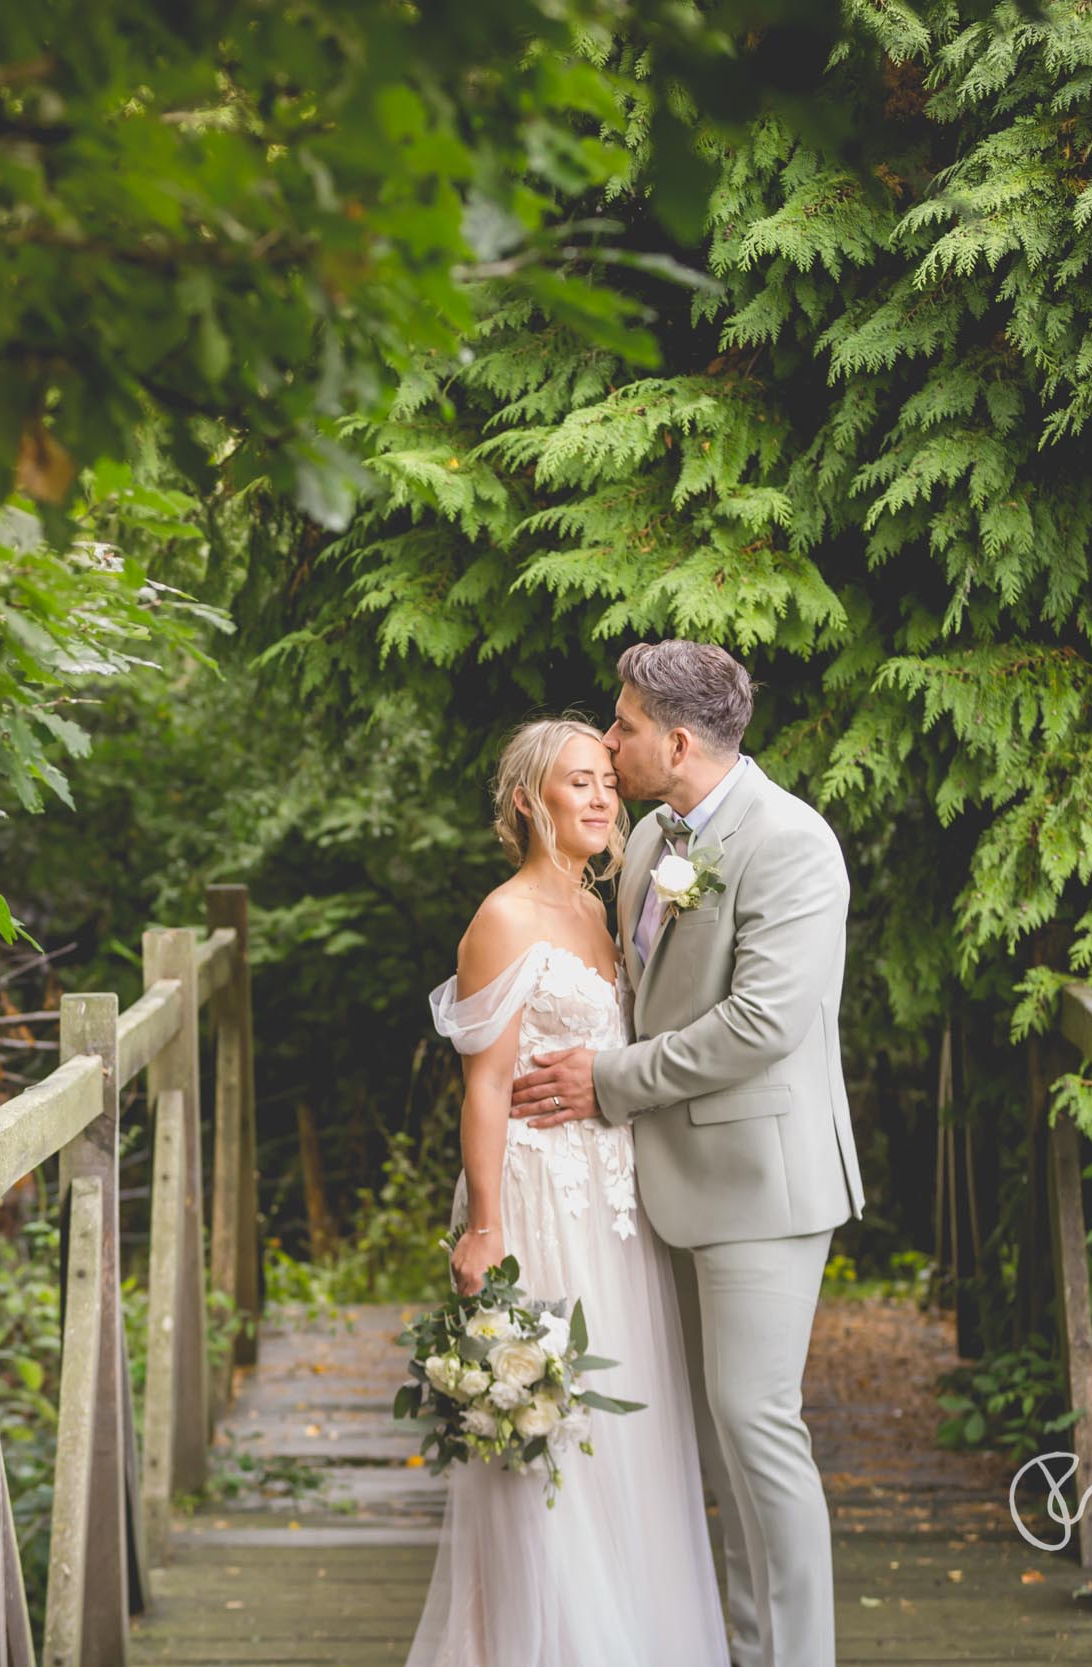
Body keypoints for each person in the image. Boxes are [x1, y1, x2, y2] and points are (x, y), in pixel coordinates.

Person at [509, 639, 868, 1667]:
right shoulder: (657, 837)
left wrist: (607, 1082)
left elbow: (763, 1021)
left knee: (757, 1427)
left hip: (763, 1182)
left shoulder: (790, 841)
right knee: (718, 1440)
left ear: (673, 739)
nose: (608, 741)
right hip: (669, 1181)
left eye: (620, 726)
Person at [403, 715, 729, 1667]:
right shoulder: (500, 919)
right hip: (539, 1201)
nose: (600, 797)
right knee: (552, 1436)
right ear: (526, 800)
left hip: (619, 1203)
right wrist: (488, 1224)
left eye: (605, 780)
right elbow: (487, 1085)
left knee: (630, 1429)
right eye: (577, 781)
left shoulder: (607, 911)